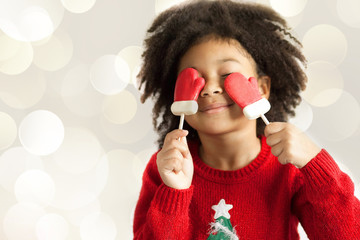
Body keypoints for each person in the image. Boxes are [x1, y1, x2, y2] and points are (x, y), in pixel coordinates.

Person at [133, 0, 360, 239]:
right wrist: (174, 193)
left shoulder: (290, 169)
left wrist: (317, 168)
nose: (209, 89)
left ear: (262, 88)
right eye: (194, 78)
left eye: (228, 74)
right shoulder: (164, 169)